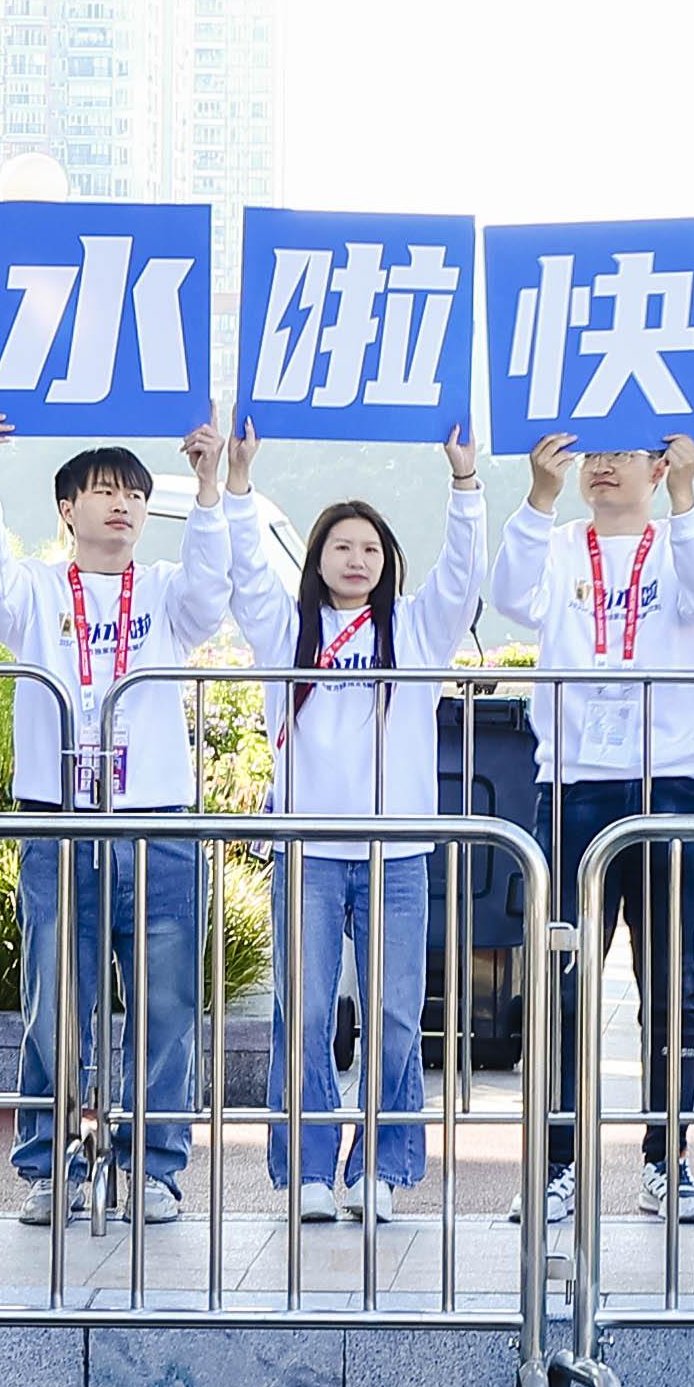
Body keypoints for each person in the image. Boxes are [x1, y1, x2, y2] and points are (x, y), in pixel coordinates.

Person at [0, 411, 246, 1228]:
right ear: (67, 510)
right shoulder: (37, 593)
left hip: (157, 824)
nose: (121, 505)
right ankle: (51, 1166)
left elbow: (212, 592)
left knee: (165, 1009)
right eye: (103, 491)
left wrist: (212, 487)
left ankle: (154, 1167)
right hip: (58, 822)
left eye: (135, 495)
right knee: (55, 1006)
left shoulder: (165, 596)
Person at [211, 429, 488, 1220]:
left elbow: (463, 573)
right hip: (309, 856)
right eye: (341, 545)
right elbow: (240, 568)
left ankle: (382, 1169)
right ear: (318, 557)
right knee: (302, 1013)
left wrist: (464, 480)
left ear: (386, 559)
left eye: (370, 547)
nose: (356, 558)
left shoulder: (415, 629)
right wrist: (239, 478)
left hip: (397, 856)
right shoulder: (284, 628)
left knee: (395, 1015)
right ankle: (305, 1171)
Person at [495, 432, 694, 1231]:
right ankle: (558, 1164)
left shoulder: (682, 539)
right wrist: (537, 493)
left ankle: (668, 1161)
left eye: (625, 452)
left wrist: (689, 496)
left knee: (673, 984)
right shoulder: (558, 545)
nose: (605, 465)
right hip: (573, 785)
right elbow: (508, 596)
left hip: (666, 782)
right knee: (563, 981)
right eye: (594, 452)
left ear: (658, 465)